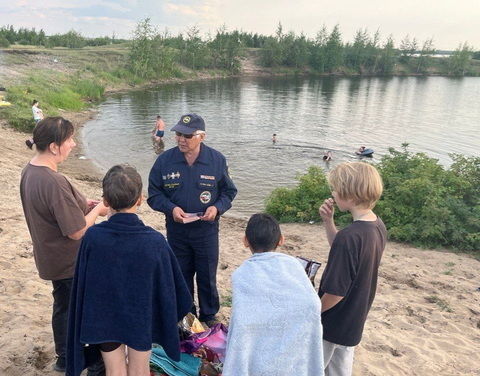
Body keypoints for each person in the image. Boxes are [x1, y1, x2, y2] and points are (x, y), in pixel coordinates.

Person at [67, 165, 192, 376]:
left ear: (105, 201)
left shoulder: (93, 237)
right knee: (140, 369)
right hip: (141, 317)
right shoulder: (155, 241)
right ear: (140, 199)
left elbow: (83, 284)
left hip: (104, 317)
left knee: (114, 370)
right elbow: (175, 290)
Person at [20, 117, 108, 374]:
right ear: (54, 147)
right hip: (67, 259)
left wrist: (84, 204)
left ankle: (64, 355)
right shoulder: (52, 181)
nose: (73, 143)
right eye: (69, 139)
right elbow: (77, 231)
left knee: (64, 305)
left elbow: (55, 209)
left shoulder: (30, 170)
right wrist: (100, 209)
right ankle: (78, 359)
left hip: (50, 256)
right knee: (78, 308)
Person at [148, 113, 237, 327]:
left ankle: (209, 315)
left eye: (187, 135)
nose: (181, 139)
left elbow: (229, 192)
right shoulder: (164, 161)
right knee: (182, 274)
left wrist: (217, 207)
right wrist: (171, 208)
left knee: (207, 276)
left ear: (201, 136)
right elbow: (154, 194)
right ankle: (187, 315)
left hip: (206, 230)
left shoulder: (216, 160)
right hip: (177, 230)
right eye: (178, 134)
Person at [223, 214, 324, 376]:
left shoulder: (241, 274)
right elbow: (311, 304)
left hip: (257, 355)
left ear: (245, 241)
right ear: (281, 240)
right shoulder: (294, 265)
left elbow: (244, 321)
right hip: (294, 356)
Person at [318, 162, 386, 376]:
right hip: (354, 318)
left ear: (349, 195)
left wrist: (312, 312)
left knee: (315, 367)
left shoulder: (350, 237)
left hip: (333, 322)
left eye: (336, 189)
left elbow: (335, 293)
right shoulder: (376, 225)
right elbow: (343, 248)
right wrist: (329, 222)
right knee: (340, 370)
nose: (333, 192)